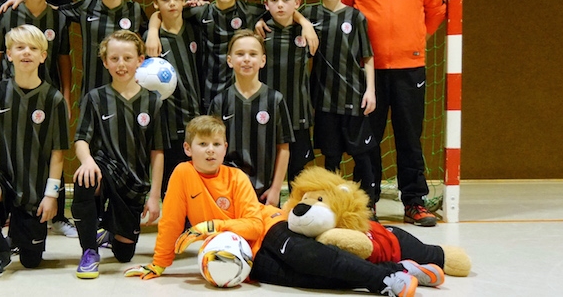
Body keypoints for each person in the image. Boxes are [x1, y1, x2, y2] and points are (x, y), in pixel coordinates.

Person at [123, 115, 433, 297]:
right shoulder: (182, 173)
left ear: (225, 147)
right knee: (307, 280)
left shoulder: (235, 177)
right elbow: (171, 221)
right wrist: (159, 263)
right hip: (246, 257)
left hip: (271, 228)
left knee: (313, 259)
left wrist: (214, 226)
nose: (210, 151)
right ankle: (397, 270)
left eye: (216, 144)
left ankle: (385, 281)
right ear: (188, 148)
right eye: (202, 145)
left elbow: (254, 224)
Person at [341, 0, 447, 227]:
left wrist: (413, 41)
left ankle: (414, 201)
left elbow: (436, 9)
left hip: (410, 67)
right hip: (366, 71)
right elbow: (343, 11)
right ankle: (367, 202)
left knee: (409, 138)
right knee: (367, 139)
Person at [145, 0, 318, 113]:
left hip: (242, 92)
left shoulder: (250, 12)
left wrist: (305, 23)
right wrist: (153, 31)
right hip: (210, 93)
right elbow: (163, 13)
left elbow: (282, 10)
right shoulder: (200, 12)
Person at [0, 0, 76, 235]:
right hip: (12, 97)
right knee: (10, 152)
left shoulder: (58, 17)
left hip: (46, 97)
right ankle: (7, 215)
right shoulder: (9, 14)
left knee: (51, 151)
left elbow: (64, 59)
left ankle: (56, 215)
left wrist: (67, 95)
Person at [0, 24, 71, 279]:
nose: (26, 52)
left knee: (31, 261)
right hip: (3, 180)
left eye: (33, 48)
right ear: (9, 54)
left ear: (43, 56)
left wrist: (51, 195)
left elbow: (58, 153)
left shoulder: (54, 99)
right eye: (20, 47)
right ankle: (0, 251)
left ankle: (17, 237)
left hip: (34, 187)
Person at [71, 30, 167, 279]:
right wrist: (87, 161)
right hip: (104, 169)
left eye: (127, 58)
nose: (121, 64)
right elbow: (81, 139)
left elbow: (157, 152)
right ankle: (89, 250)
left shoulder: (153, 102)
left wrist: (154, 197)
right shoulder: (95, 98)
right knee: (85, 179)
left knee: (124, 255)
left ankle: (110, 231)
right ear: (105, 62)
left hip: (134, 183)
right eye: (114, 58)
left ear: (140, 60)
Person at [1, 0, 147, 99]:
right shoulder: (87, 6)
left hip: (127, 88)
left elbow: (150, 33)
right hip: (92, 90)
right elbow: (55, 9)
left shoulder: (134, 9)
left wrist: (153, 29)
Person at [306, 0, 379, 218]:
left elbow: (367, 57)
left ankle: (369, 205)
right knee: (331, 157)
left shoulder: (356, 17)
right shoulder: (310, 14)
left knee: (362, 155)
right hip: (324, 100)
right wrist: (303, 22)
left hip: (354, 97)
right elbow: (286, 11)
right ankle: (331, 205)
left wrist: (370, 90)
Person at [208, 29, 293, 207]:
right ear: (229, 60)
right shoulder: (220, 102)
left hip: (264, 195)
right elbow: (211, 149)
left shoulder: (275, 100)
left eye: (253, 54)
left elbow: (283, 148)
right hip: (228, 193)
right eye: (240, 54)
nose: (246, 59)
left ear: (263, 61)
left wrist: (276, 189)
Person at [146, 0, 202, 196]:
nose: (172, 3)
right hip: (168, 124)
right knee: (171, 187)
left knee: (197, 187)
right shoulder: (152, 39)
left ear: (184, 0)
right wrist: (152, 30)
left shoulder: (196, 27)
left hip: (197, 119)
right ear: (155, 4)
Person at [259, 0, 314, 190]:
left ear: (297, 3)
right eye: (274, 1)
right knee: (267, 166)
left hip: (298, 110)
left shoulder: (307, 31)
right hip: (268, 111)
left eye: (286, 0)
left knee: (298, 169)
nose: (280, 5)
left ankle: (297, 206)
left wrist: (305, 23)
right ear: (266, 4)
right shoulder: (260, 31)